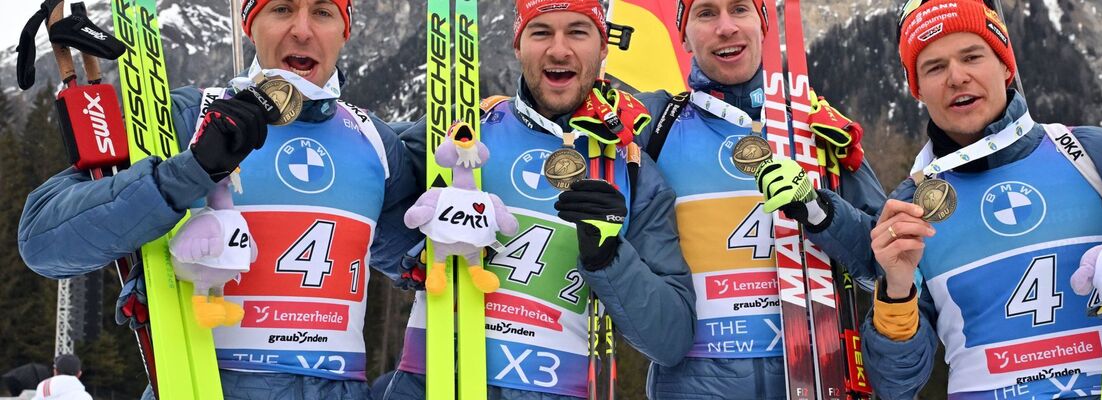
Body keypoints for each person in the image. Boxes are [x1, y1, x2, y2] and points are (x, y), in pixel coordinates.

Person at [753, 0, 1102, 398]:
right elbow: (897, 381)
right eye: (933, 67)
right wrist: (895, 289)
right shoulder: (915, 204)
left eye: (972, 56)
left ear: (1007, 66)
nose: (957, 76)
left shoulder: (1097, 157)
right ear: (916, 88)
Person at [18, 0, 423, 398]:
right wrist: (189, 170)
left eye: (322, 12)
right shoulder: (188, 116)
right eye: (282, 9)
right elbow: (44, 241)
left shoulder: (375, 141)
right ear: (250, 25)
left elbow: (423, 260)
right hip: (198, 384)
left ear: (344, 31)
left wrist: (472, 152)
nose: (302, 29)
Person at [372, 0, 695, 399]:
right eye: (541, 32)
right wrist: (415, 258)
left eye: (578, 31)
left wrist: (610, 258)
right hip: (431, 385)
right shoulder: (464, 131)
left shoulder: (631, 171)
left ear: (603, 47)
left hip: (555, 385)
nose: (559, 50)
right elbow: (368, 207)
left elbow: (672, 339)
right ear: (517, 45)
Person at [631, 0, 886, 398]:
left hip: (815, 375)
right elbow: (564, 149)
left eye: (740, 9)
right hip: (693, 384)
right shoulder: (653, 124)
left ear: (764, 25)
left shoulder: (815, 126)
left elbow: (887, 264)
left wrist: (821, 211)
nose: (726, 27)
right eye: (706, 13)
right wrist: (503, 115)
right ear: (683, 35)